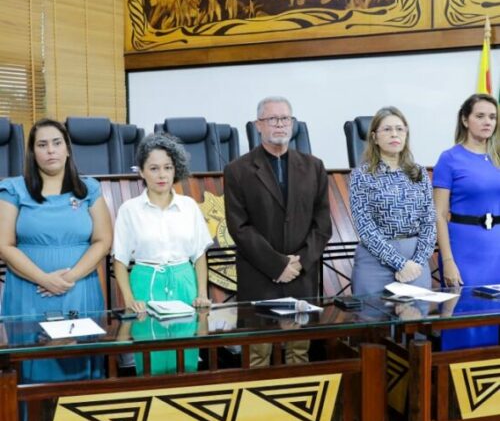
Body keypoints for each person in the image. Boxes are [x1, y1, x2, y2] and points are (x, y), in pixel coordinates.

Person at [224, 97, 332, 367]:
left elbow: (322, 223)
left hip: (301, 273)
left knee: (298, 352)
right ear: (258, 125)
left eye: (285, 119)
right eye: (272, 119)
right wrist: (277, 264)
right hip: (259, 274)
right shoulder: (238, 170)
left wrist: (300, 262)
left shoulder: (314, 167)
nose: (280, 124)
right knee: (258, 353)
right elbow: (239, 226)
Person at [0, 119, 112, 379]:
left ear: (67, 149)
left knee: (79, 366)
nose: (50, 150)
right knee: (32, 370)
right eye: (42, 144)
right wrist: (44, 279)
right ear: (33, 152)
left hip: (79, 289)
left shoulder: (89, 188)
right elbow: (4, 245)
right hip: (29, 292)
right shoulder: (13, 189)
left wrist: (68, 277)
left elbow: (103, 240)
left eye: (56, 143)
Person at [113, 133, 213, 376]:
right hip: (146, 283)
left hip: (183, 282)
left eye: (168, 168)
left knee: (186, 359)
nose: (162, 175)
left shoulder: (189, 206)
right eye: (154, 168)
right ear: (142, 172)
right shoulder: (129, 210)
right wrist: (129, 301)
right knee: (150, 361)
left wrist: (202, 294)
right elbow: (119, 261)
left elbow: (199, 256)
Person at [433, 93, 500, 349]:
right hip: (464, 247)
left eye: (492, 117)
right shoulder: (449, 158)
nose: (487, 122)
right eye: (480, 116)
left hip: (497, 245)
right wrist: (447, 261)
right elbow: (439, 214)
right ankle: (459, 384)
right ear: (464, 119)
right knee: (467, 316)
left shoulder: (498, 157)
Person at [349, 106, 436, 294]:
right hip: (374, 259)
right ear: (374, 137)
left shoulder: (419, 173)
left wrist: (417, 262)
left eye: (400, 129)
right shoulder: (361, 175)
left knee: (416, 318)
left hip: (415, 260)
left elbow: (429, 223)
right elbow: (364, 226)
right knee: (372, 320)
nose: (394, 134)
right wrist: (399, 263)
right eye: (387, 129)